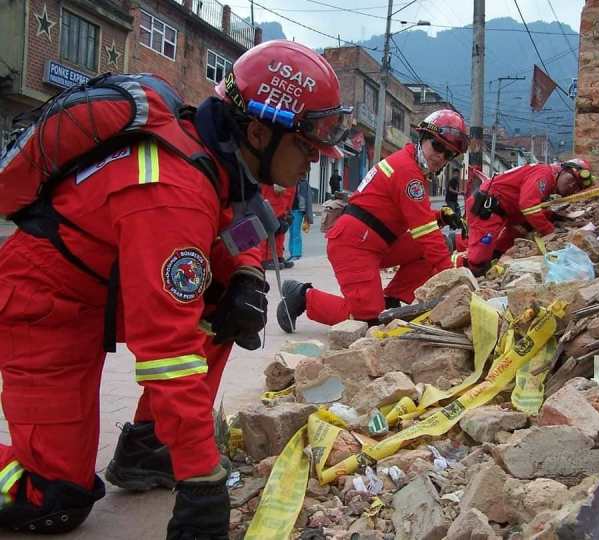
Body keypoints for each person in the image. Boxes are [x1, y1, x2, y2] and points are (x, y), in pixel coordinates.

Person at [0, 39, 351, 538]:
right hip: (45, 308)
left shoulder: (217, 156)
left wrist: (247, 275)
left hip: (104, 287)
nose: (315, 160)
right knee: (53, 499)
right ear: (257, 131)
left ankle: (152, 444)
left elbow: (239, 224)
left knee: (235, 303)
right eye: (308, 146)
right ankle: (164, 445)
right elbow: (166, 350)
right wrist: (202, 481)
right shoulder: (172, 194)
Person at [276, 109, 469, 332]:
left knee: (433, 248)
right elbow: (425, 233)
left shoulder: (410, 166)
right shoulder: (409, 173)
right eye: (438, 146)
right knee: (369, 322)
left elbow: (409, 220)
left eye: (448, 154)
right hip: (353, 245)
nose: (441, 156)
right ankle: (302, 296)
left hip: (373, 241)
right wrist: (454, 278)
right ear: (423, 138)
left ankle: (392, 301)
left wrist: (441, 218)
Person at [454, 158, 592, 274]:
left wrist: (552, 216)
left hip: (504, 210)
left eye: (576, 187)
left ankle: (463, 244)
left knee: (516, 234)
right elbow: (528, 206)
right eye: (572, 178)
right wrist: (550, 231)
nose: (572, 185)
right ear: (563, 169)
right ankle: (450, 265)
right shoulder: (545, 174)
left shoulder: (545, 177)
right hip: (489, 208)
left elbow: (530, 206)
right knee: (477, 263)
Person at [260, 183, 297, 270]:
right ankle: (265, 259)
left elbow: (290, 197)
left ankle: (277, 257)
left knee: (280, 233)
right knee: (268, 233)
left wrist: (288, 211)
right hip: (270, 205)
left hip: (281, 207)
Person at [287, 177, 313, 260]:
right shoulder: (290, 181)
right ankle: (292, 253)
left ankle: (296, 254)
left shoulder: (303, 183)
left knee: (295, 232)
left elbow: (308, 199)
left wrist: (307, 214)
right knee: (291, 232)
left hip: (298, 210)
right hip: (290, 210)